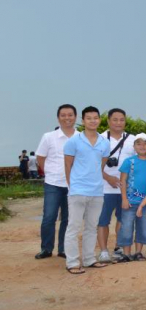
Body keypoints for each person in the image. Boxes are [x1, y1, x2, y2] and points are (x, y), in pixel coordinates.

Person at [62, 106, 110, 274]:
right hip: (77, 191)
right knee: (73, 227)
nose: (93, 121)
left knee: (92, 227)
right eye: (89, 118)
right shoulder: (73, 141)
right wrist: (72, 186)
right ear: (83, 121)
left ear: (99, 120)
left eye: (96, 117)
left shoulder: (105, 143)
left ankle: (89, 259)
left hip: (97, 191)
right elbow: (68, 165)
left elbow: (100, 165)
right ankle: (73, 262)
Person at [35, 104, 77, 259]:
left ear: (75, 117)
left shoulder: (81, 137)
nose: (67, 118)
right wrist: (50, 172)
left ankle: (63, 249)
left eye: (70, 115)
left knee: (68, 218)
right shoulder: (48, 137)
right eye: (63, 115)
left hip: (73, 185)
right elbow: (40, 157)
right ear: (58, 117)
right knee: (49, 217)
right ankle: (46, 248)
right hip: (53, 183)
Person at [97, 108, 135, 263]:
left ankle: (119, 247)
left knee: (123, 219)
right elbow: (92, 164)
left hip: (125, 189)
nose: (118, 123)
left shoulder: (133, 140)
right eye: (115, 119)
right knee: (102, 220)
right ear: (108, 121)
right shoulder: (100, 139)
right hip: (103, 188)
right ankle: (103, 251)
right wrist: (107, 178)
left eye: (122, 119)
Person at [115, 133, 146, 263]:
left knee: (143, 227)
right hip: (130, 202)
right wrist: (124, 199)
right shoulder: (129, 162)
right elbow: (123, 181)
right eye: (138, 143)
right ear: (134, 146)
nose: (142, 146)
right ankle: (126, 254)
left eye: (145, 143)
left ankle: (138, 252)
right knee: (126, 227)